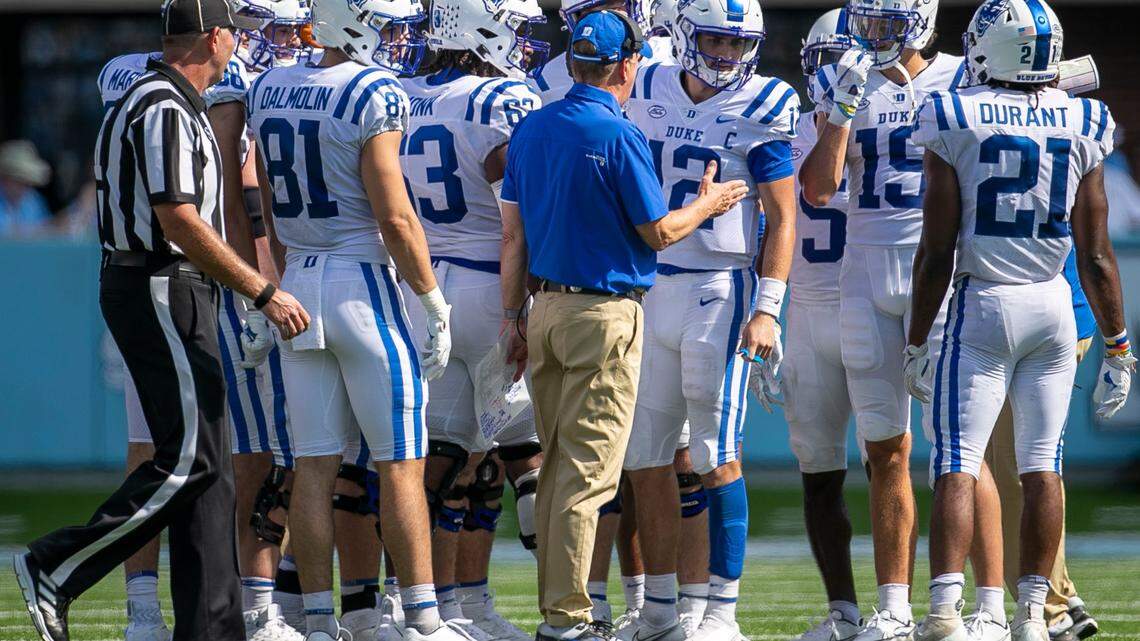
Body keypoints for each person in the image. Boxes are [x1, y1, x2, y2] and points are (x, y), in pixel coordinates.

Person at [12, 1, 311, 640]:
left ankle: (212, 626)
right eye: (237, 33)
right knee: (187, 460)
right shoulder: (164, 105)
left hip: (169, 285)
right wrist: (262, 291)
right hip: (156, 283)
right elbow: (177, 217)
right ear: (214, 37)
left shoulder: (175, 101)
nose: (243, 45)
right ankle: (56, 563)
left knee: (211, 468)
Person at [500, 11, 748, 640]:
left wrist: (512, 317)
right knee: (587, 475)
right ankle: (568, 620)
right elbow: (659, 232)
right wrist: (710, 204)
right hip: (602, 314)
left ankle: (558, 611)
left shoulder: (532, 126)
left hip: (545, 309)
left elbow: (515, 234)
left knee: (557, 471)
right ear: (625, 66)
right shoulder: (617, 133)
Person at [906, 2, 1134, 640]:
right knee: (1043, 465)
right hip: (1054, 307)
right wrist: (1118, 344)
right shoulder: (1086, 117)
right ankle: (1036, 616)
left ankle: (947, 612)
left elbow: (936, 248)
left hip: (983, 301)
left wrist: (917, 337)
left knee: (957, 460)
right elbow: (1095, 252)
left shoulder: (952, 114)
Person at [246, 0, 468, 638]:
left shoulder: (271, 84)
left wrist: (284, 281)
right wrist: (431, 301)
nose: (397, 40)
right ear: (354, 21)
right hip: (364, 282)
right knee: (401, 462)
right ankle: (426, 621)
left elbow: (270, 204)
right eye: (387, 25)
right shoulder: (371, 90)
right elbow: (396, 218)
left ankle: (318, 622)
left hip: (301, 282)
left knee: (315, 462)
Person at [618, 0, 799, 638]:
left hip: (717, 294)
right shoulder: (643, 81)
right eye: (717, 39)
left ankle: (721, 613)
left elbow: (783, 218)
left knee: (716, 454)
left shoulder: (765, 103)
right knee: (644, 455)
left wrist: (768, 310)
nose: (726, 53)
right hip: (646, 289)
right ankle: (664, 607)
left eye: (738, 42)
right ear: (688, 33)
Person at [799, 0, 967, 636]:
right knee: (884, 449)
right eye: (866, 24)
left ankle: (976, 609)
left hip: (943, 271)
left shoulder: (962, 75)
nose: (871, 38)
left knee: (961, 448)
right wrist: (839, 109)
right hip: (864, 270)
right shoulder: (849, 80)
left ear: (922, 21)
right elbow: (818, 189)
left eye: (886, 25)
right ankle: (894, 608)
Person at [397, 0, 548, 636]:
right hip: (493, 287)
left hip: (420, 288)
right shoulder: (504, 99)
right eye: (513, 26)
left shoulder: (397, 89)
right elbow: (522, 208)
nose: (522, 41)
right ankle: (573, 605)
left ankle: (432, 608)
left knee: (438, 462)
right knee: (514, 462)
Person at [783, 9, 863, 641]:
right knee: (819, 471)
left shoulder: (900, 122)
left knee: (920, 464)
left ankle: (934, 603)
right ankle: (844, 610)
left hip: (873, 307)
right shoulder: (782, 126)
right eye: (828, 59)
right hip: (808, 310)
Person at [0, 140, 53, 237]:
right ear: (4, 178)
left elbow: (49, 230)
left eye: (28, 181)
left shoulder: (34, 201)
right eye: (19, 180)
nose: (26, 187)